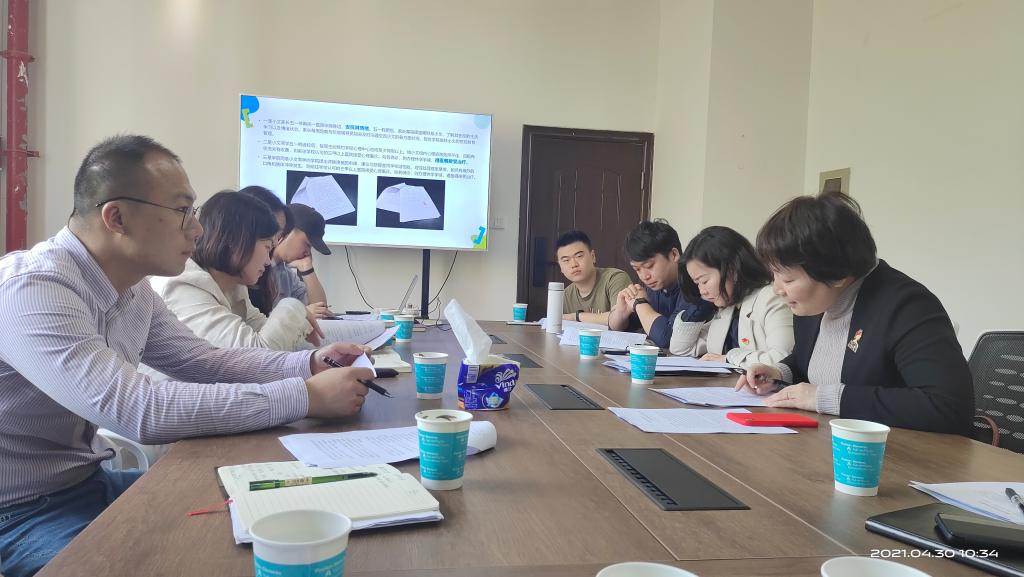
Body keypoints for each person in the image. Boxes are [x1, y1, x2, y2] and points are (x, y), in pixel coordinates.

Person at [0, 135, 374, 577]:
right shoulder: (32, 289)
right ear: (117, 217)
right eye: (182, 211)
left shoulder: (135, 290)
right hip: (19, 513)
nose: (196, 230)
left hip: (89, 482)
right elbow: (138, 409)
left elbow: (206, 362)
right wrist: (306, 396)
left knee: (267, 512)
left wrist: (309, 363)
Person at [736, 192, 973, 434]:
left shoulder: (906, 306)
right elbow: (810, 360)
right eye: (774, 275)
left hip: (895, 450)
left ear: (836, 274)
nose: (777, 289)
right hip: (827, 441)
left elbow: (948, 407)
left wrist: (825, 398)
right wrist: (779, 374)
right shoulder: (816, 301)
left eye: (788, 279)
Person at [152, 190, 323, 351]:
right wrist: (292, 307)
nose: (267, 261)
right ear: (237, 240)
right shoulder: (183, 284)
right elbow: (255, 355)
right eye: (267, 247)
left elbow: (261, 329)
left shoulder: (235, 285)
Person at [670, 226, 793, 366]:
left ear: (732, 270)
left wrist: (729, 358)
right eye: (697, 283)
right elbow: (681, 348)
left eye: (704, 281)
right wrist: (700, 306)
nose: (702, 291)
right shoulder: (727, 308)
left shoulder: (771, 298)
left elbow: (783, 358)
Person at [607, 219, 714, 348]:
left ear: (674, 254)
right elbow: (617, 328)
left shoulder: (695, 284)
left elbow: (668, 339)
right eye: (637, 269)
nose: (644, 276)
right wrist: (621, 312)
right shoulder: (655, 286)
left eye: (649, 266)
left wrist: (640, 303)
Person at [252, 201, 334, 319]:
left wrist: (307, 269)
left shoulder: (287, 275)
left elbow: (320, 310)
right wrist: (299, 313)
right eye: (307, 244)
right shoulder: (254, 268)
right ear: (286, 231)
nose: (308, 252)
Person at [555, 230, 631, 325]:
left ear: (593, 256)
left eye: (579, 256)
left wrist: (576, 316)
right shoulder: (565, 296)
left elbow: (619, 321)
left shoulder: (615, 279)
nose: (574, 264)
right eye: (566, 260)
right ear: (560, 267)